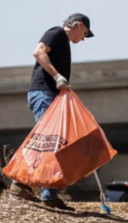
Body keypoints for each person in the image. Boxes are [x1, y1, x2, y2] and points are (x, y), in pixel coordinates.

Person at [9, 13, 94, 210]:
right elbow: (39, 52)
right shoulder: (56, 32)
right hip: (43, 93)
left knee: (47, 142)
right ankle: (43, 193)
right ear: (79, 25)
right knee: (50, 143)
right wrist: (57, 77)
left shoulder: (62, 40)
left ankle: (24, 186)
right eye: (85, 34)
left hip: (49, 94)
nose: (82, 39)